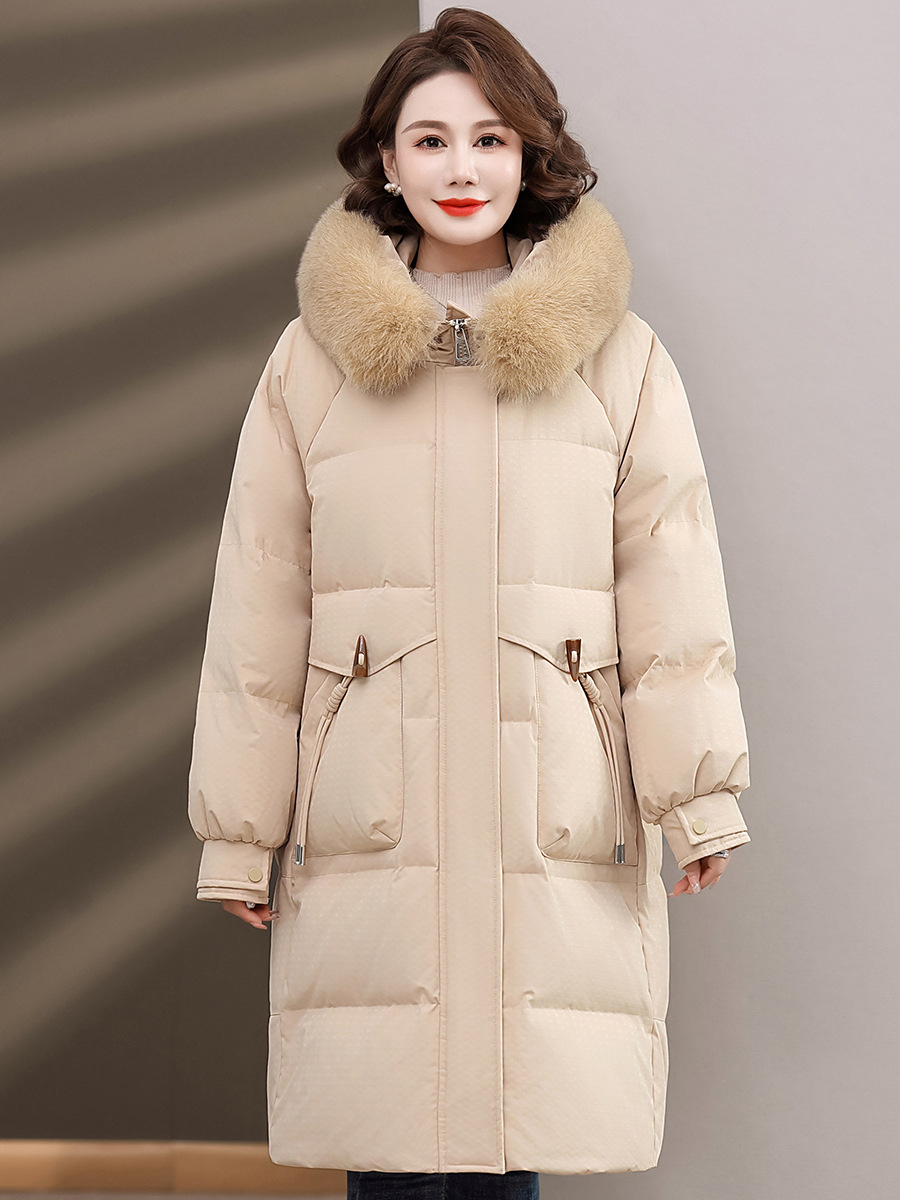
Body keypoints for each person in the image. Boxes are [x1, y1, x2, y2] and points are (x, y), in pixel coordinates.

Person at [186, 6, 751, 1194]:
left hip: (556, 805)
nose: (462, 167)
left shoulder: (619, 359)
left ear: (531, 154)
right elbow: (260, 608)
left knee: (512, 1147)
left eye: (490, 138)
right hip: (370, 813)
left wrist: (697, 796)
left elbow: (671, 589)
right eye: (430, 139)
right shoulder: (310, 364)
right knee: (388, 1150)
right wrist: (240, 831)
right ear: (385, 162)